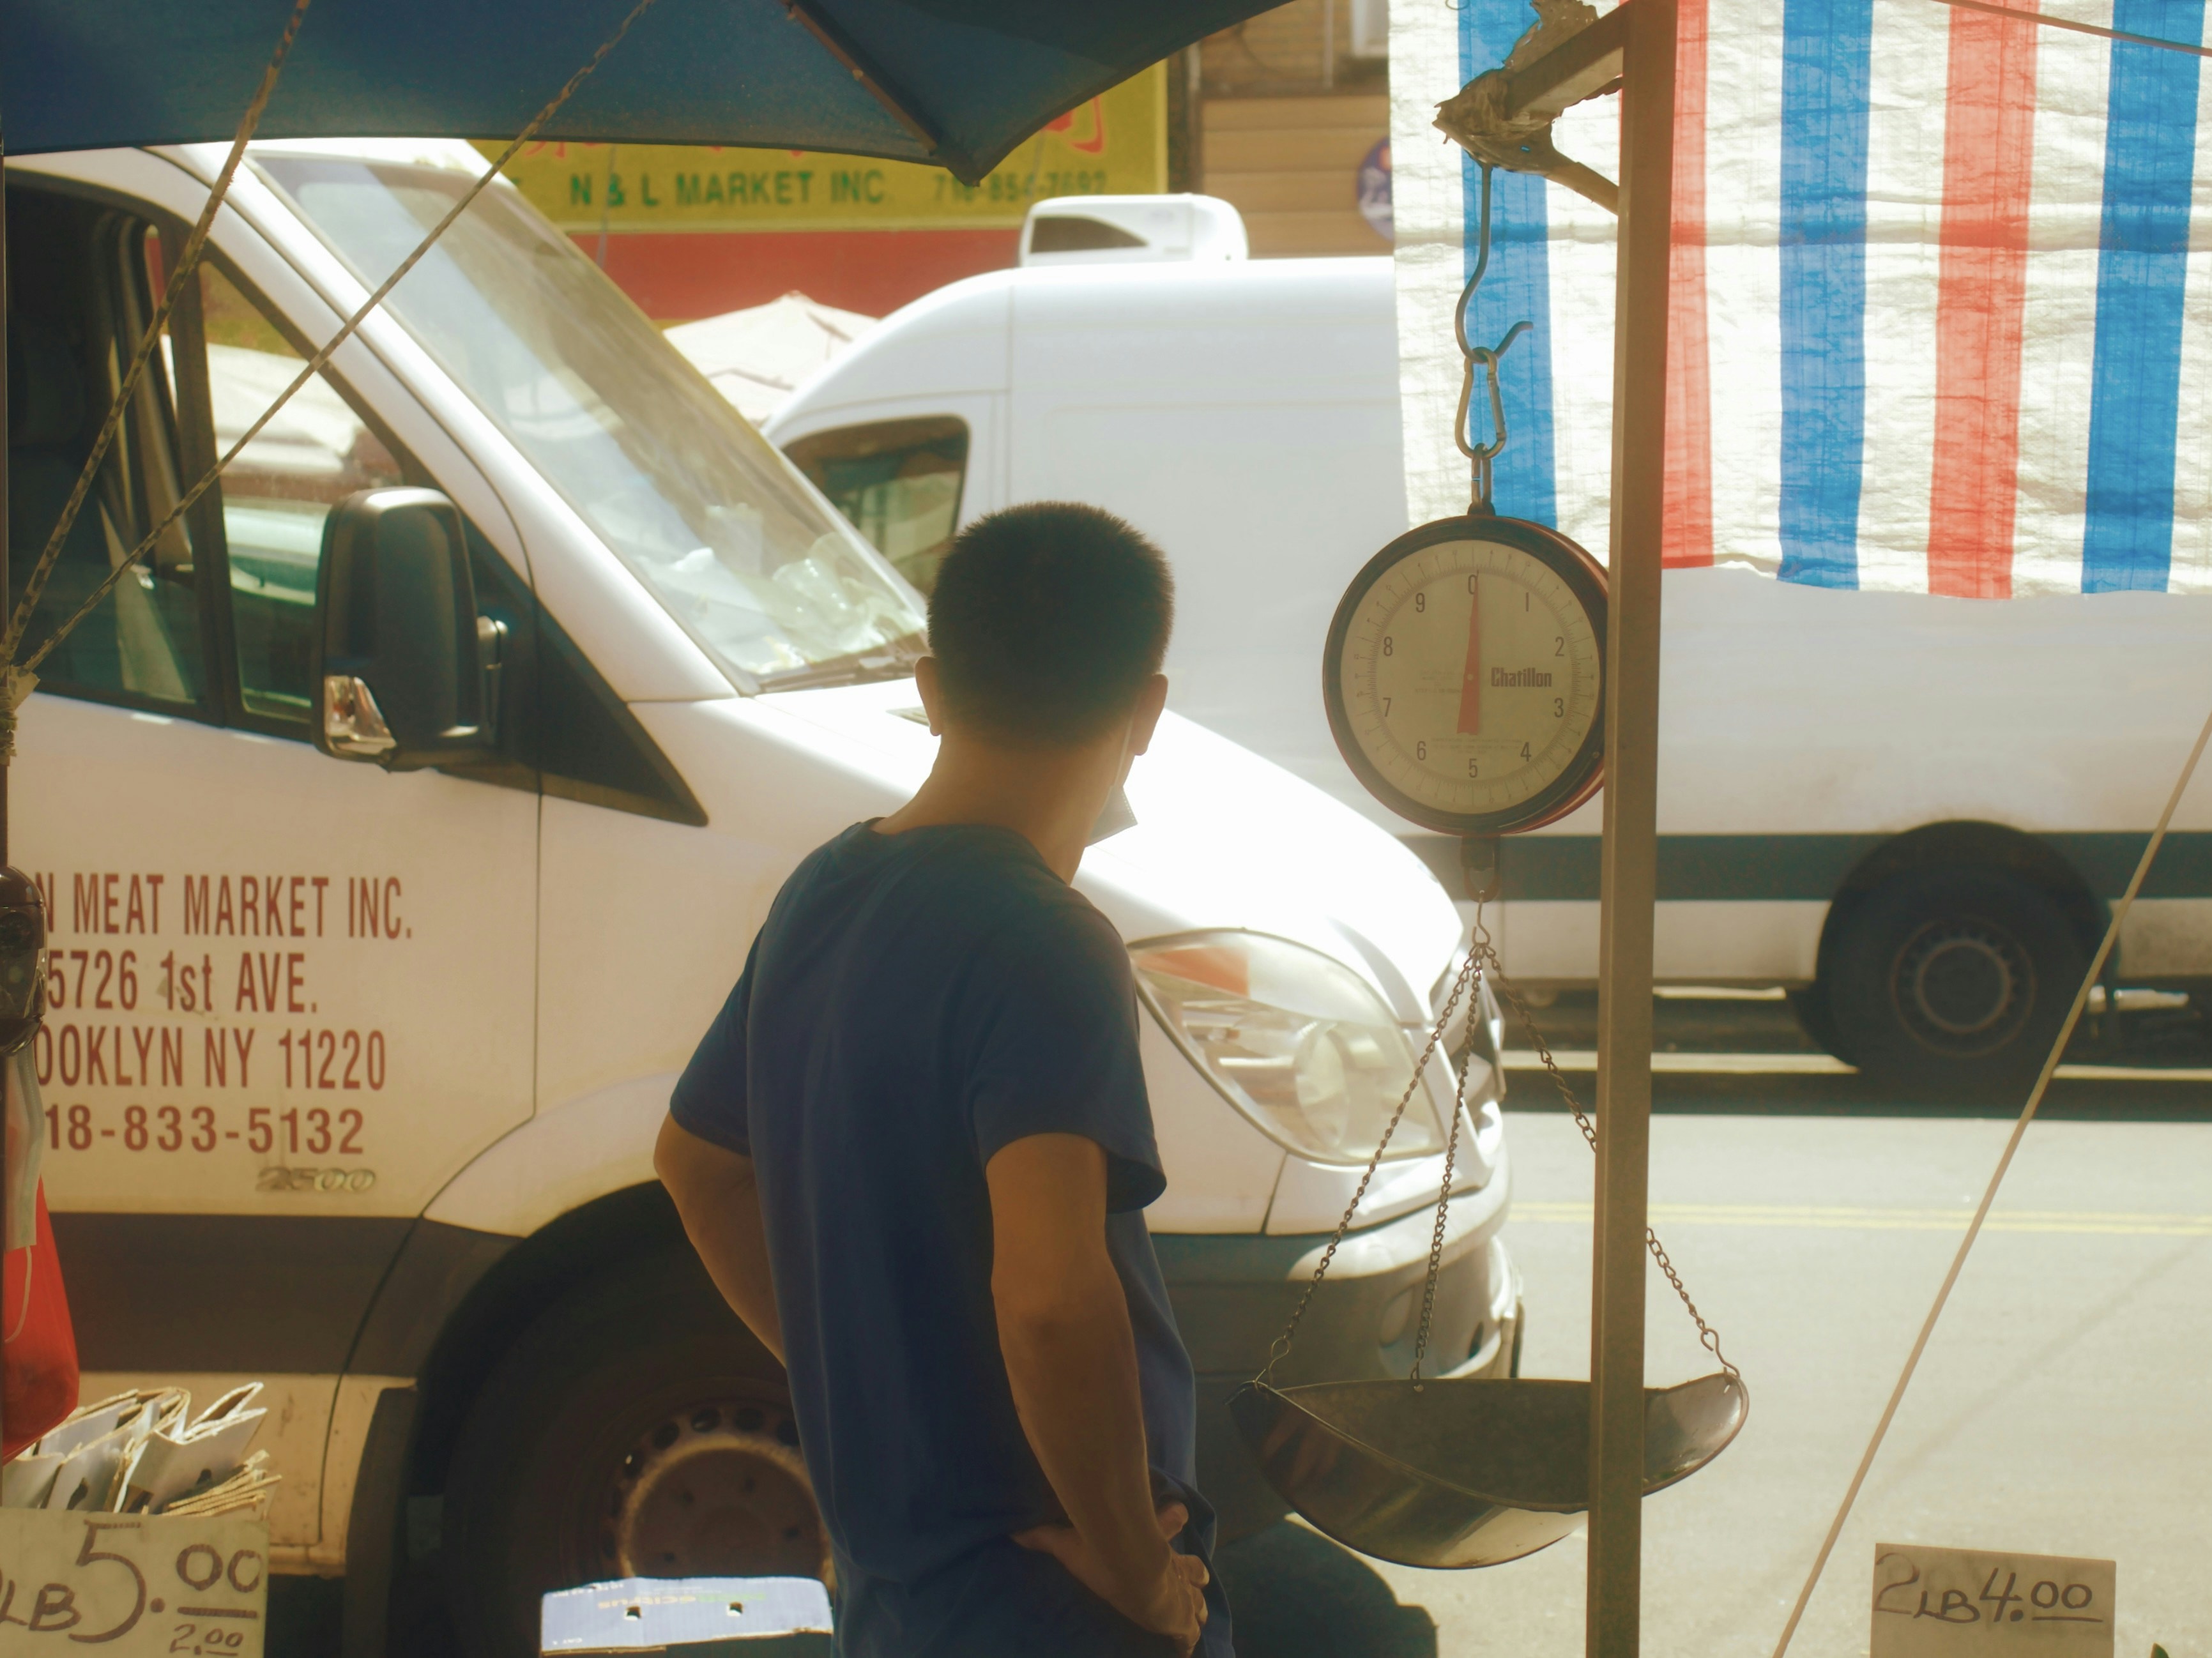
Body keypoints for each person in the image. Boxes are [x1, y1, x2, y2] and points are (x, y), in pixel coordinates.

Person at [655, 503, 1232, 1658]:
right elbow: (1052, 1298)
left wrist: (871, 1392)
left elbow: (698, 1165)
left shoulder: (823, 893)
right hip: (1051, 1605)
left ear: (929, 688)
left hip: (901, 1599)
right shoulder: (1047, 940)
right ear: (1147, 712)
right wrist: (1139, 1573)